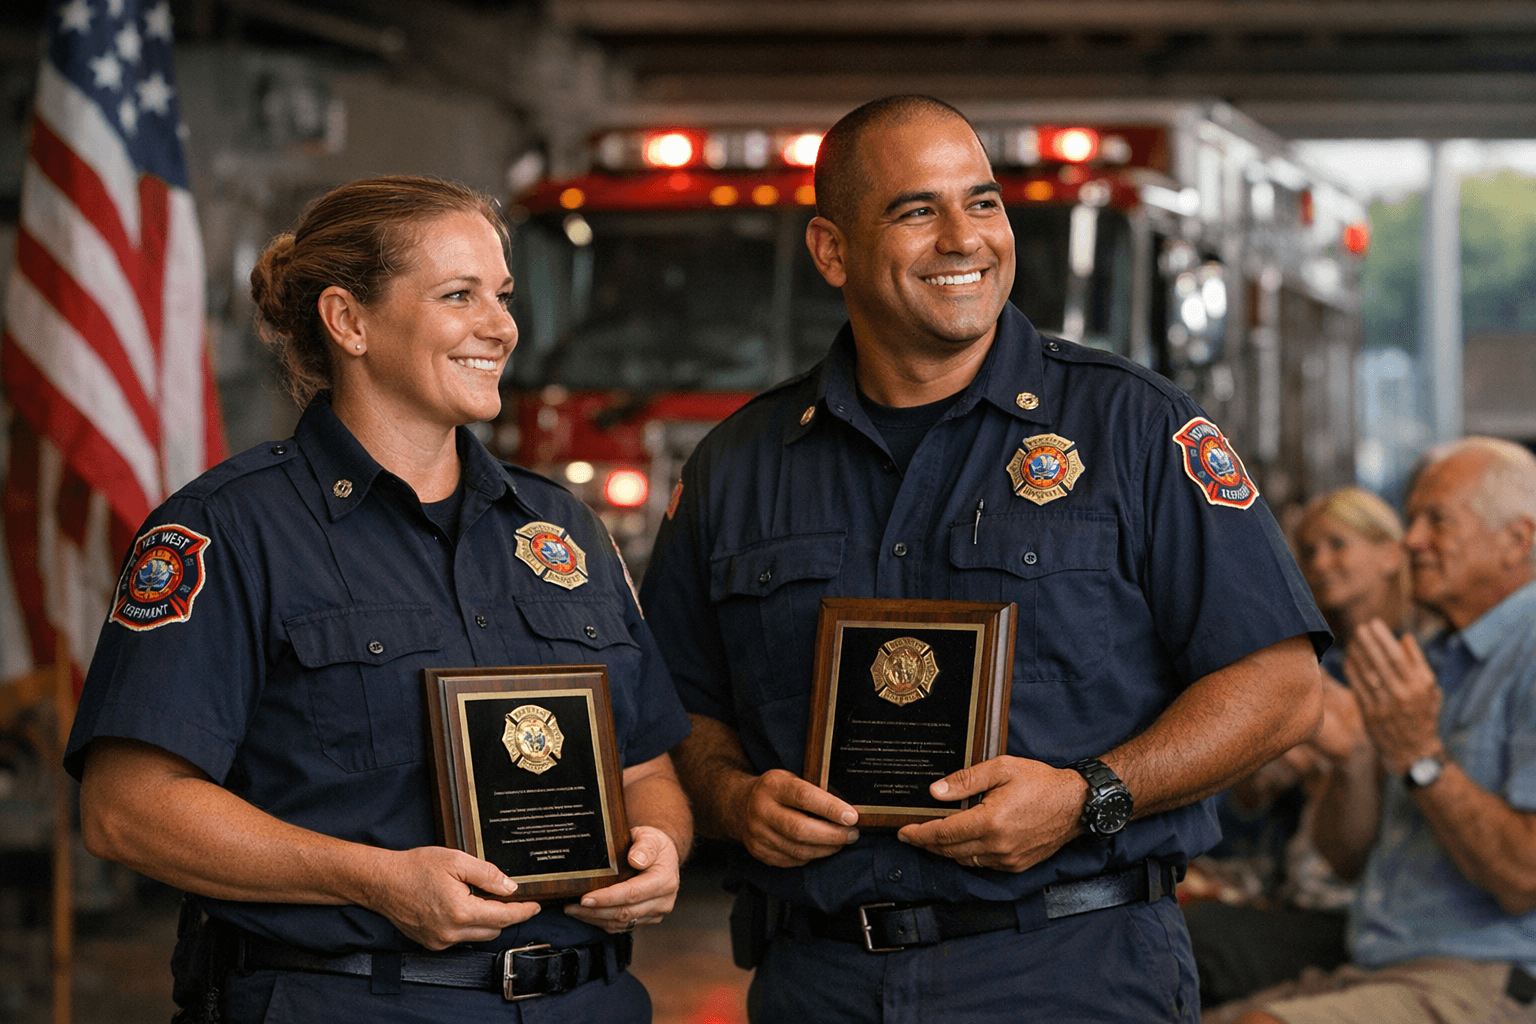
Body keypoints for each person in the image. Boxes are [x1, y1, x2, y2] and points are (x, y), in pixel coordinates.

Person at [638, 94, 1327, 1022]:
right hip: (821, 981)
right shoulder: (740, 465)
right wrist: (731, 797)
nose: (965, 238)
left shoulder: (1135, 427)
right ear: (832, 251)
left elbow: (1281, 685)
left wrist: (1090, 798)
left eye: (984, 202)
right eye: (916, 210)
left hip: (1071, 972)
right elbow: (676, 706)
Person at [64, 176, 693, 1023]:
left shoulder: (562, 527)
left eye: (502, 296)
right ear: (349, 321)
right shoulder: (227, 529)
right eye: (458, 295)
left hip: (587, 1001)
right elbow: (125, 810)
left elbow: (646, 768)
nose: (500, 326)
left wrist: (663, 849)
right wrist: (377, 880)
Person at [1226, 437, 1536, 1024]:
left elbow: (1524, 877)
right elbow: (1346, 859)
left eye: (1435, 520)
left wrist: (1420, 757)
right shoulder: (1431, 654)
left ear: (1516, 541)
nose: (1411, 540)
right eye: (1412, 518)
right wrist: (1356, 760)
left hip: (1489, 978)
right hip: (1377, 964)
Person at [1189, 487, 1410, 1009]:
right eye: (1307, 552)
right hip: (1288, 885)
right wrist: (1256, 780)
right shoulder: (1312, 667)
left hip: (1362, 907)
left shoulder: (1426, 662)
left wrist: (1348, 767)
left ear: (1390, 553)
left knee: (1181, 939)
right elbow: (1237, 822)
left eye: (1337, 544)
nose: (1320, 564)